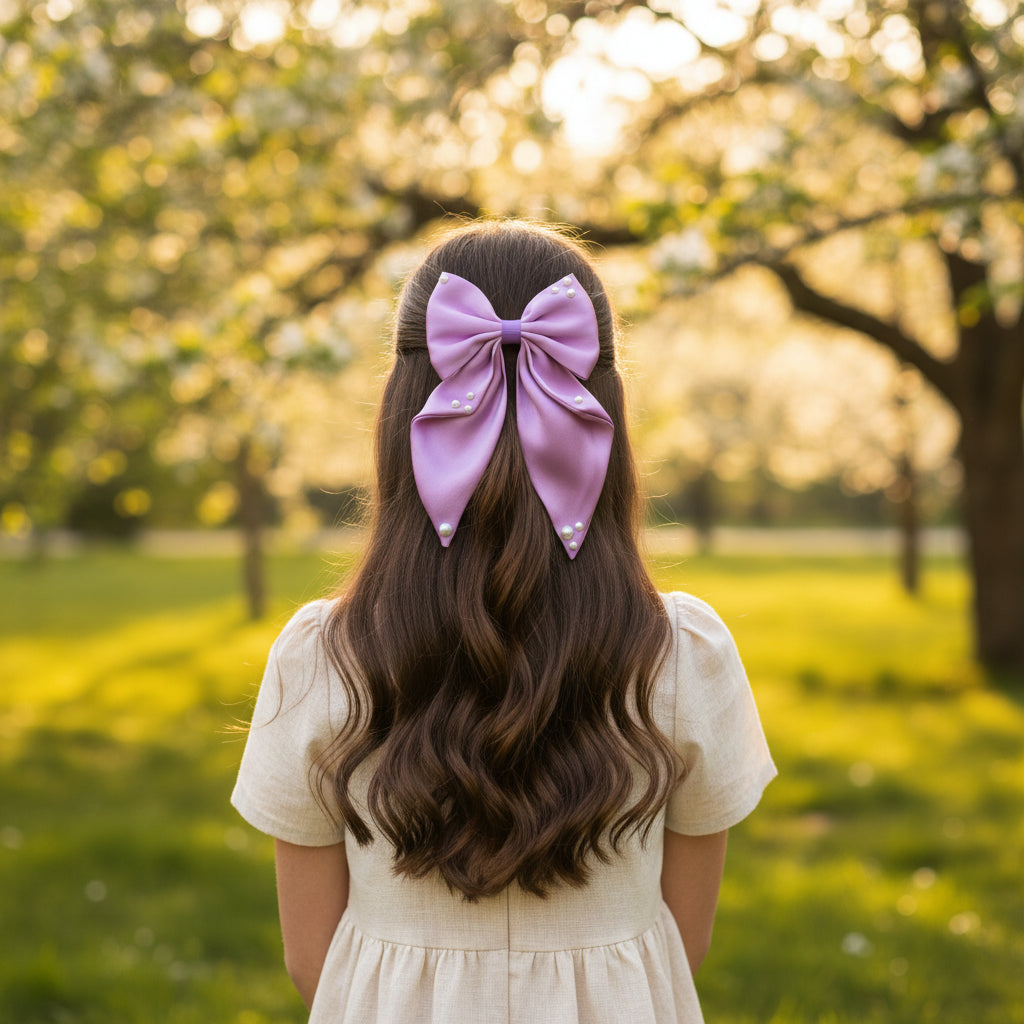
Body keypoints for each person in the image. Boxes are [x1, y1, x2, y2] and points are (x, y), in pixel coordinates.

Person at [231, 219, 776, 1023]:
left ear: (401, 416)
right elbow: (683, 944)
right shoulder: (682, 654)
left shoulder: (324, 655)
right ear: (608, 419)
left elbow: (311, 959)